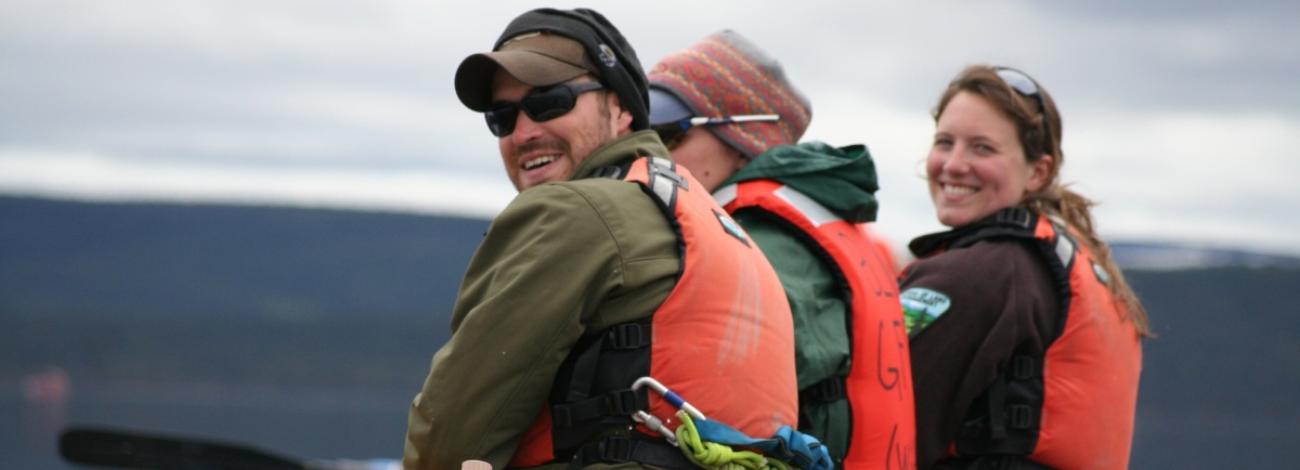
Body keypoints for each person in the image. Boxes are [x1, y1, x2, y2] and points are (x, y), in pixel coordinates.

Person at [404, 9, 800, 470]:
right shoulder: (714, 223)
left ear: (621, 108)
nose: (525, 132)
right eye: (502, 117)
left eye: (550, 102)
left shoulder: (575, 212)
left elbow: (449, 437)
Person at [647, 30, 915, 467]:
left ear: (743, 140)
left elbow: (727, 394)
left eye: (670, 133)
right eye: (643, 132)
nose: (651, 151)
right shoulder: (819, 218)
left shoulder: (762, 242)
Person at [901, 65, 1151, 469]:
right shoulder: (1069, 261)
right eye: (945, 142)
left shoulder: (979, 276)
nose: (954, 164)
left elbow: (890, 423)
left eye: (983, 148)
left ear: (1038, 172)